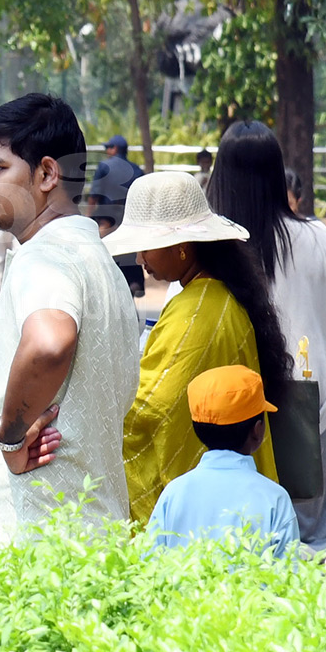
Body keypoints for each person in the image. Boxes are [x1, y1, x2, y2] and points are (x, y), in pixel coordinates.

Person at [0, 94, 140, 543]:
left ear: (47, 173)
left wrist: (9, 441)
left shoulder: (46, 255)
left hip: (26, 543)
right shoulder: (102, 264)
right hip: (81, 530)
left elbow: (50, 342)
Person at [104, 171, 294, 524]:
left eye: (147, 246)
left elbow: (153, 408)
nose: (141, 259)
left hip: (204, 501)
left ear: (182, 246)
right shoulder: (216, 296)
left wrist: (95, 421)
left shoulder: (196, 309)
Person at [205, 121, 326, 553]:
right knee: (306, 543)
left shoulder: (209, 248)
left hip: (224, 413)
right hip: (301, 412)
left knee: (231, 541)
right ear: (276, 174)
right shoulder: (317, 239)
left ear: (222, 175)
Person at [148, 365, 299, 557]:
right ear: (257, 430)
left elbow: (149, 568)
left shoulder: (173, 493)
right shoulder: (275, 498)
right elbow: (289, 578)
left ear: (197, 428)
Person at [87, 134, 146, 296]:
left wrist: (88, 219)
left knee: (104, 259)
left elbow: (94, 196)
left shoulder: (104, 167)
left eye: (108, 147)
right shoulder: (136, 170)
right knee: (131, 261)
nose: (107, 151)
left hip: (108, 223)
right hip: (129, 223)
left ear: (115, 149)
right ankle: (134, 285)